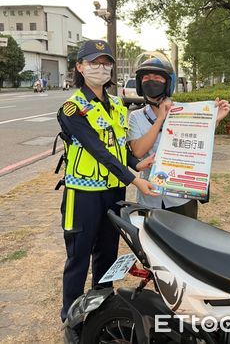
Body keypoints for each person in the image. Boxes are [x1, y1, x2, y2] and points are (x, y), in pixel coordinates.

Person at [57, 40, 156, 322]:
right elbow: (97, 151)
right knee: (79, 257)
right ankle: (72, 318)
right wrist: (135, 180)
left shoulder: (115, 104)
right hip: (83, 194)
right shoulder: (71, 109)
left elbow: (118, 146)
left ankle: (100, 311)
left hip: (113, 191)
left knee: (107, 254)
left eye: (105, 63)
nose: (101, 69)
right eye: (93, 63)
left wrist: (138, 163)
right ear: (79, 67)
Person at [127, 53, 230, 219]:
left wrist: (214, 119)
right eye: (146, 77)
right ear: (140, 83)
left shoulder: (185, 112)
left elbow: (199, 141)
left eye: (157, 77)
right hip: (150, 194)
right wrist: (160, 119)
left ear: (168, 83)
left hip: (181, 196)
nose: (150, 80)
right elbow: (138, 152)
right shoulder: (136, 117)